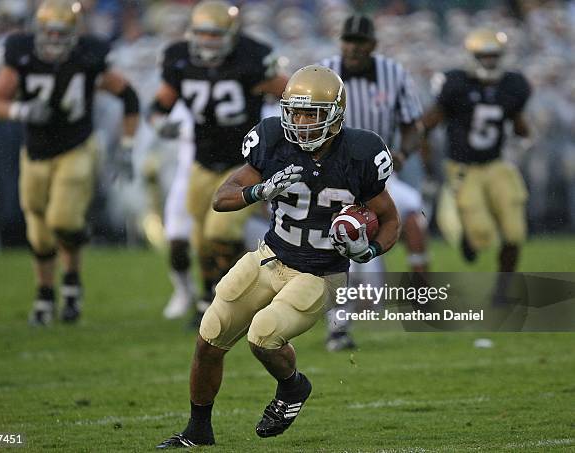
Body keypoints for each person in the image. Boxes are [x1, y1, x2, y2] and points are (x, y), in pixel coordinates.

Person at [156, 65, 400, 448]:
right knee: (210, 336)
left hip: (320, 274)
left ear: (335, 115)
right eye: (295, 112)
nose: (300, 122)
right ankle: (198, 431)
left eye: (311, 114)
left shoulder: (360, 153)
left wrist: (368, 250)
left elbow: (390, 220)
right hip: (270, 257)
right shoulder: (272, 140)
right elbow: (222, 198)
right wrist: (260, 191)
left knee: (263, 335)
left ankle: (293, 387)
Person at [0, 0, 140, 325]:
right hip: (35, 151)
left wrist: (126, 146)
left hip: (77, 147)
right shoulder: (21, 53)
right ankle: (47, 294)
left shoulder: (88, 54)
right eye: (48, 32)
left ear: (74, 33)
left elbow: (128, 95)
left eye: (60, 32)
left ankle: (71, 278)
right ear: (37, 31)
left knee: (63, 219)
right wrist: (20, 111)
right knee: (39, 233)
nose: (53, 39)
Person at [151, 0, 288, 325]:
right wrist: (160, 124)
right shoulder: (180, 58)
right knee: (199, 237)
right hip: (200, 163)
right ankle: (207, 294)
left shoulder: (252, 58)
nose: (208, 42)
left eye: (215, 35)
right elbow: (159, 105)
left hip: (243, 163)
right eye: (202, 34)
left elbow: (290, 95)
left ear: (230, 34)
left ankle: (222, 297)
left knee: (220, 233)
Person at [320, 14, 426, 351]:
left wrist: (404, 153)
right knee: (348, 244)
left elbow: (413, 124)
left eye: (359, 41)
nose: (352, 47)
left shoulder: (394, 74)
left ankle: (419, 293)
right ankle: (338, 327)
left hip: (380, 175)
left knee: (414, 214)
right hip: (336, 176)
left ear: (372, 45)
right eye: (347, 40)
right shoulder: (324, 71)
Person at [422, 28, 532, 277]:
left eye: (494, 56)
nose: (490, 62)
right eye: (485, 56)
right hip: (463, 166)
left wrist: (526, 138)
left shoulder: (512, 85)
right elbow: (427, 125)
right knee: (482, 234)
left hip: (496, 163)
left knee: (515, 231)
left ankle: (504, 287)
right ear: (472, 56)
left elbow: (519, 123)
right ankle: (466, 236)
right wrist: (429, 166)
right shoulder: (456, 84)